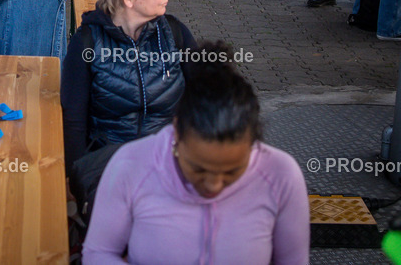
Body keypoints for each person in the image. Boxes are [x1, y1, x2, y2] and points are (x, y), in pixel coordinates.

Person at [83, 42, 310, 265]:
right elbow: (98, 253)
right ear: (177, 133)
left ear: (253, 145)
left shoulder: (281, 175)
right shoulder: (131, 164)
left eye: (232, 172)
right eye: (198, 169)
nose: (213, 186)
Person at [61, 0, 195, 212]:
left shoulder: (175, 34)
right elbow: (73, 120)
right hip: (110, 167)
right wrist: (72, 177)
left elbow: (210, 100)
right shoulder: (87, 43)